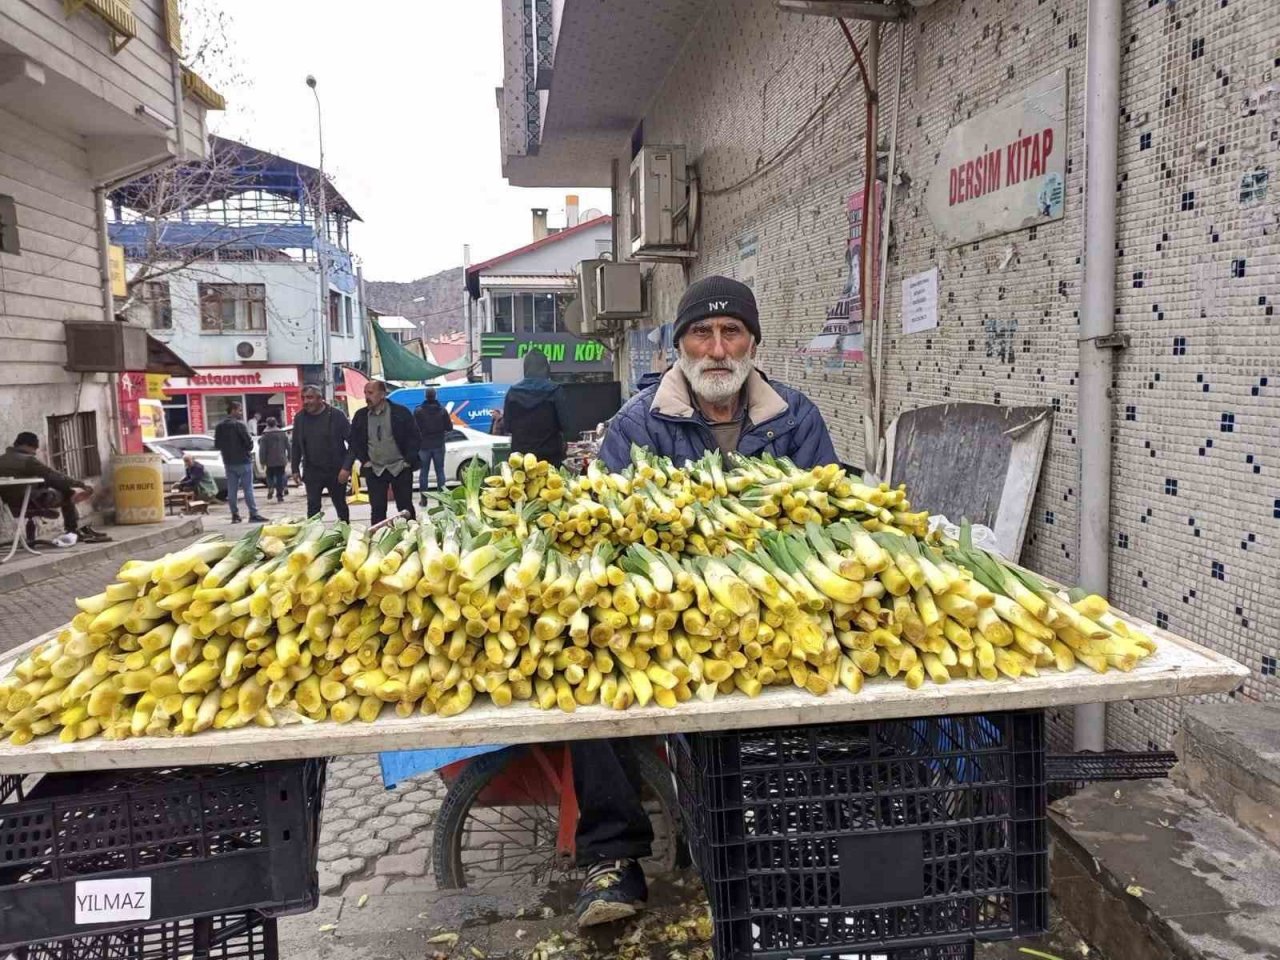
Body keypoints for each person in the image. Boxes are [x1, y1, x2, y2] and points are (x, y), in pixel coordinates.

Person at [573, 276, 838, 928]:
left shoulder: (795, 418)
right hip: (663, 612)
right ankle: (613, 858)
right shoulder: (637, 425)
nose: (718, 348)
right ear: (679, 344)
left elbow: (830, 519)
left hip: (776, 607)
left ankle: (788, 836)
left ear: (752, 343)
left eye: (732, 333)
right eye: (703, 333)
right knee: (585, 671)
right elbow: (609, 536)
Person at [0, 432, 105, 546]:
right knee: (65, 492)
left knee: (52, 482)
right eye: (34, 448)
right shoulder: (28, 461)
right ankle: (72, 530)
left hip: (10, 504)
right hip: (31, 501)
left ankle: (74, 520)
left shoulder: (2, 459)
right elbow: (53, 475)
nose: (35, 452)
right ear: (27, 445)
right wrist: (80, 484)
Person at [342, 380, 420, 525]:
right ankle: (378, 537)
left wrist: (408, 461)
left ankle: (411, 533)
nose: (366, 396)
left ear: (382, 394)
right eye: (365, 393)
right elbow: (354, 441)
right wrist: (364, 460)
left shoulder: (400, 413)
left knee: (405, 507)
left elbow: (415, 437)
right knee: (377, 508)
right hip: (375, 469)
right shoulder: (361, 416)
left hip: (399, 467)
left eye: (370, 393)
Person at [290, 384, 350, 522]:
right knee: (313, 507)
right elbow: (296, 445)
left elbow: (353, 444)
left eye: (310, 398)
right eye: (303, 398)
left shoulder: (336, 416)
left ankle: (345, 533)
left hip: (335, 470)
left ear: (320, 398)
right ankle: (314, 537)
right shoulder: (300, 418)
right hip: (312, 470)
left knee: (340, 505)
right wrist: (294, 469)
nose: (306, 402)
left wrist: (346, 468)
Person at [503, 349, 570, 466]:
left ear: (526, 368)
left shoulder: (513, 392)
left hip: (521, 460)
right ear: (546, 368)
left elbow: (507, 427)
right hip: (550, 458)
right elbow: (566, 425)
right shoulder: (555, 391)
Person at [213, 400, 266, 524]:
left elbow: (217, 444)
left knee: (232, 489)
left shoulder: (220, 426)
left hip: (228, 461)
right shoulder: (240, 425)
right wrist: (247, 449)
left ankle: (235, 515)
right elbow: (248, 442)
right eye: (239, 410)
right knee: (248, 489)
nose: (241, 413)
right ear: (233, 410)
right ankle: (253, 514)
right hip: (243, 460)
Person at [413, 387, 453, 505]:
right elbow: (449, 427)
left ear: (425, 396)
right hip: (439, 444)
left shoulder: (418, 411)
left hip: (423, 445)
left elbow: (413, 428)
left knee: (423, 473)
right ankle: (442, 500)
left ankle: (424, 499)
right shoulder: (442, 411)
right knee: (440, 471)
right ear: (435, 396)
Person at [257, 417, 290, 503]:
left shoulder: (265, 435)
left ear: (267, 424)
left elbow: (262, 450)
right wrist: (290, 456)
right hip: (281, 459)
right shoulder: (282, 433)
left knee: (269, 475)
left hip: (270, 460)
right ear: (276, 423)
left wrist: (262, 461)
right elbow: (288, 446)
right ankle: (280, 495)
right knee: (280, 476)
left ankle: (271, 487)